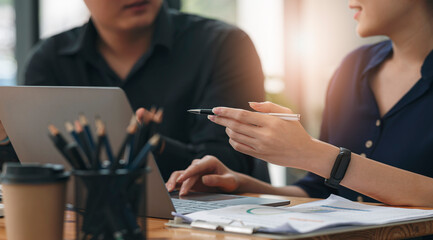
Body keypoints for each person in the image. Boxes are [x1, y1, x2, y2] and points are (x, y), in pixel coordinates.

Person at [166, 0, 433, 207]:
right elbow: (320, 189)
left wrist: (312, 153)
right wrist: (239, 186)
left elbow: (327, 167)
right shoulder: (352, 68)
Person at [0, 0, 265, 180]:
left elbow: (229, 162)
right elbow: (36, 163)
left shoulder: (225, 46)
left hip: (212, 222)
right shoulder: (49, 59)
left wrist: (150, 143)